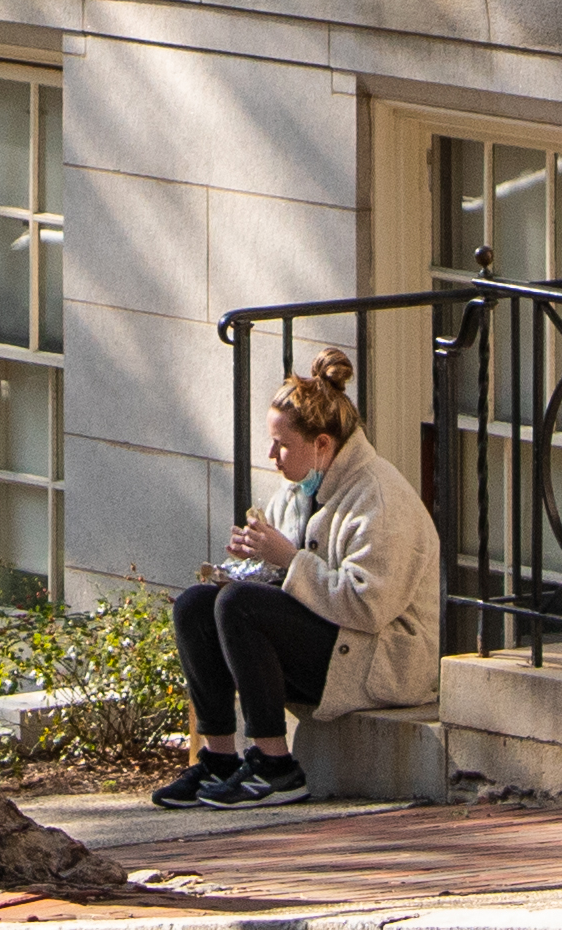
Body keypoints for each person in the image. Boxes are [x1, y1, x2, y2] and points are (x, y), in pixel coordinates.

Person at [159, 345, 445, 807]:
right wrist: (249, 567)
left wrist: (289, 562)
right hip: (332, 644)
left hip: (385, 660)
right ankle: (219, 759)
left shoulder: (380, 498)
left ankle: (277, 768)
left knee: (239, 606)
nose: (272, 455)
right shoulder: (295, 493)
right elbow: (289, 588)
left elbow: (368, 607)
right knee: (198, 603)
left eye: (282, 445)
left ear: (323, 445)